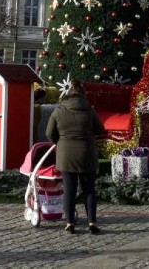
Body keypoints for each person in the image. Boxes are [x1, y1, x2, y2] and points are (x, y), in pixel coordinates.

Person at [46, 80, 106, 234]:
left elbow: (49, 133)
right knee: (89, 190)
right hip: (87, 153)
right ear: (83, 94)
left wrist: (60, 142)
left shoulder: (59, 110)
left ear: (68, 93)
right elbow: (100, 129)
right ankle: (92, 223)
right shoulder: (89, 110)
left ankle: (69, 223)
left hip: (66, 155)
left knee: (70, 190)